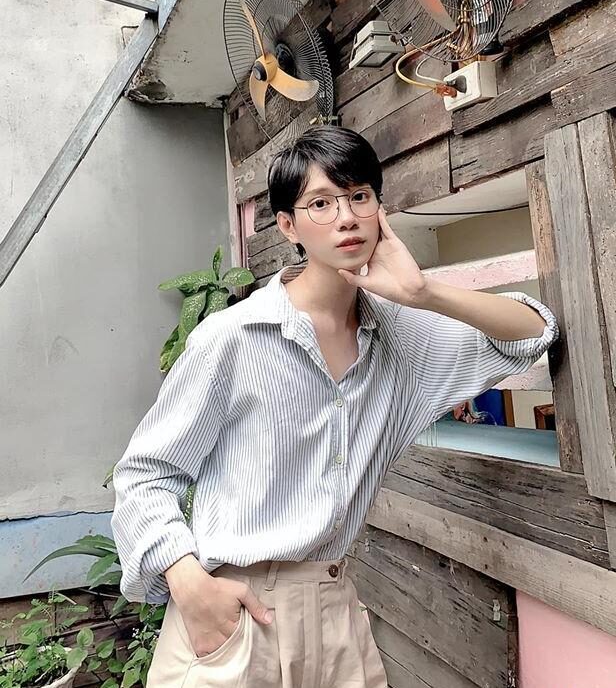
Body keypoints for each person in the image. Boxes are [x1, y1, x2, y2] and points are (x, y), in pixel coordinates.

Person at [111, 125, 558, 688]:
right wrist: (186, 580)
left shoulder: (400, 338)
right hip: (236, 611)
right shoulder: (234, 337)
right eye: (321, 203)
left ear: (379, 210)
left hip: (335, 608)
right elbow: (145, 473)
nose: (346, 217)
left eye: (359, 196)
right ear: (288, 226)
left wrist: (423, 293)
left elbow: (532, 333)